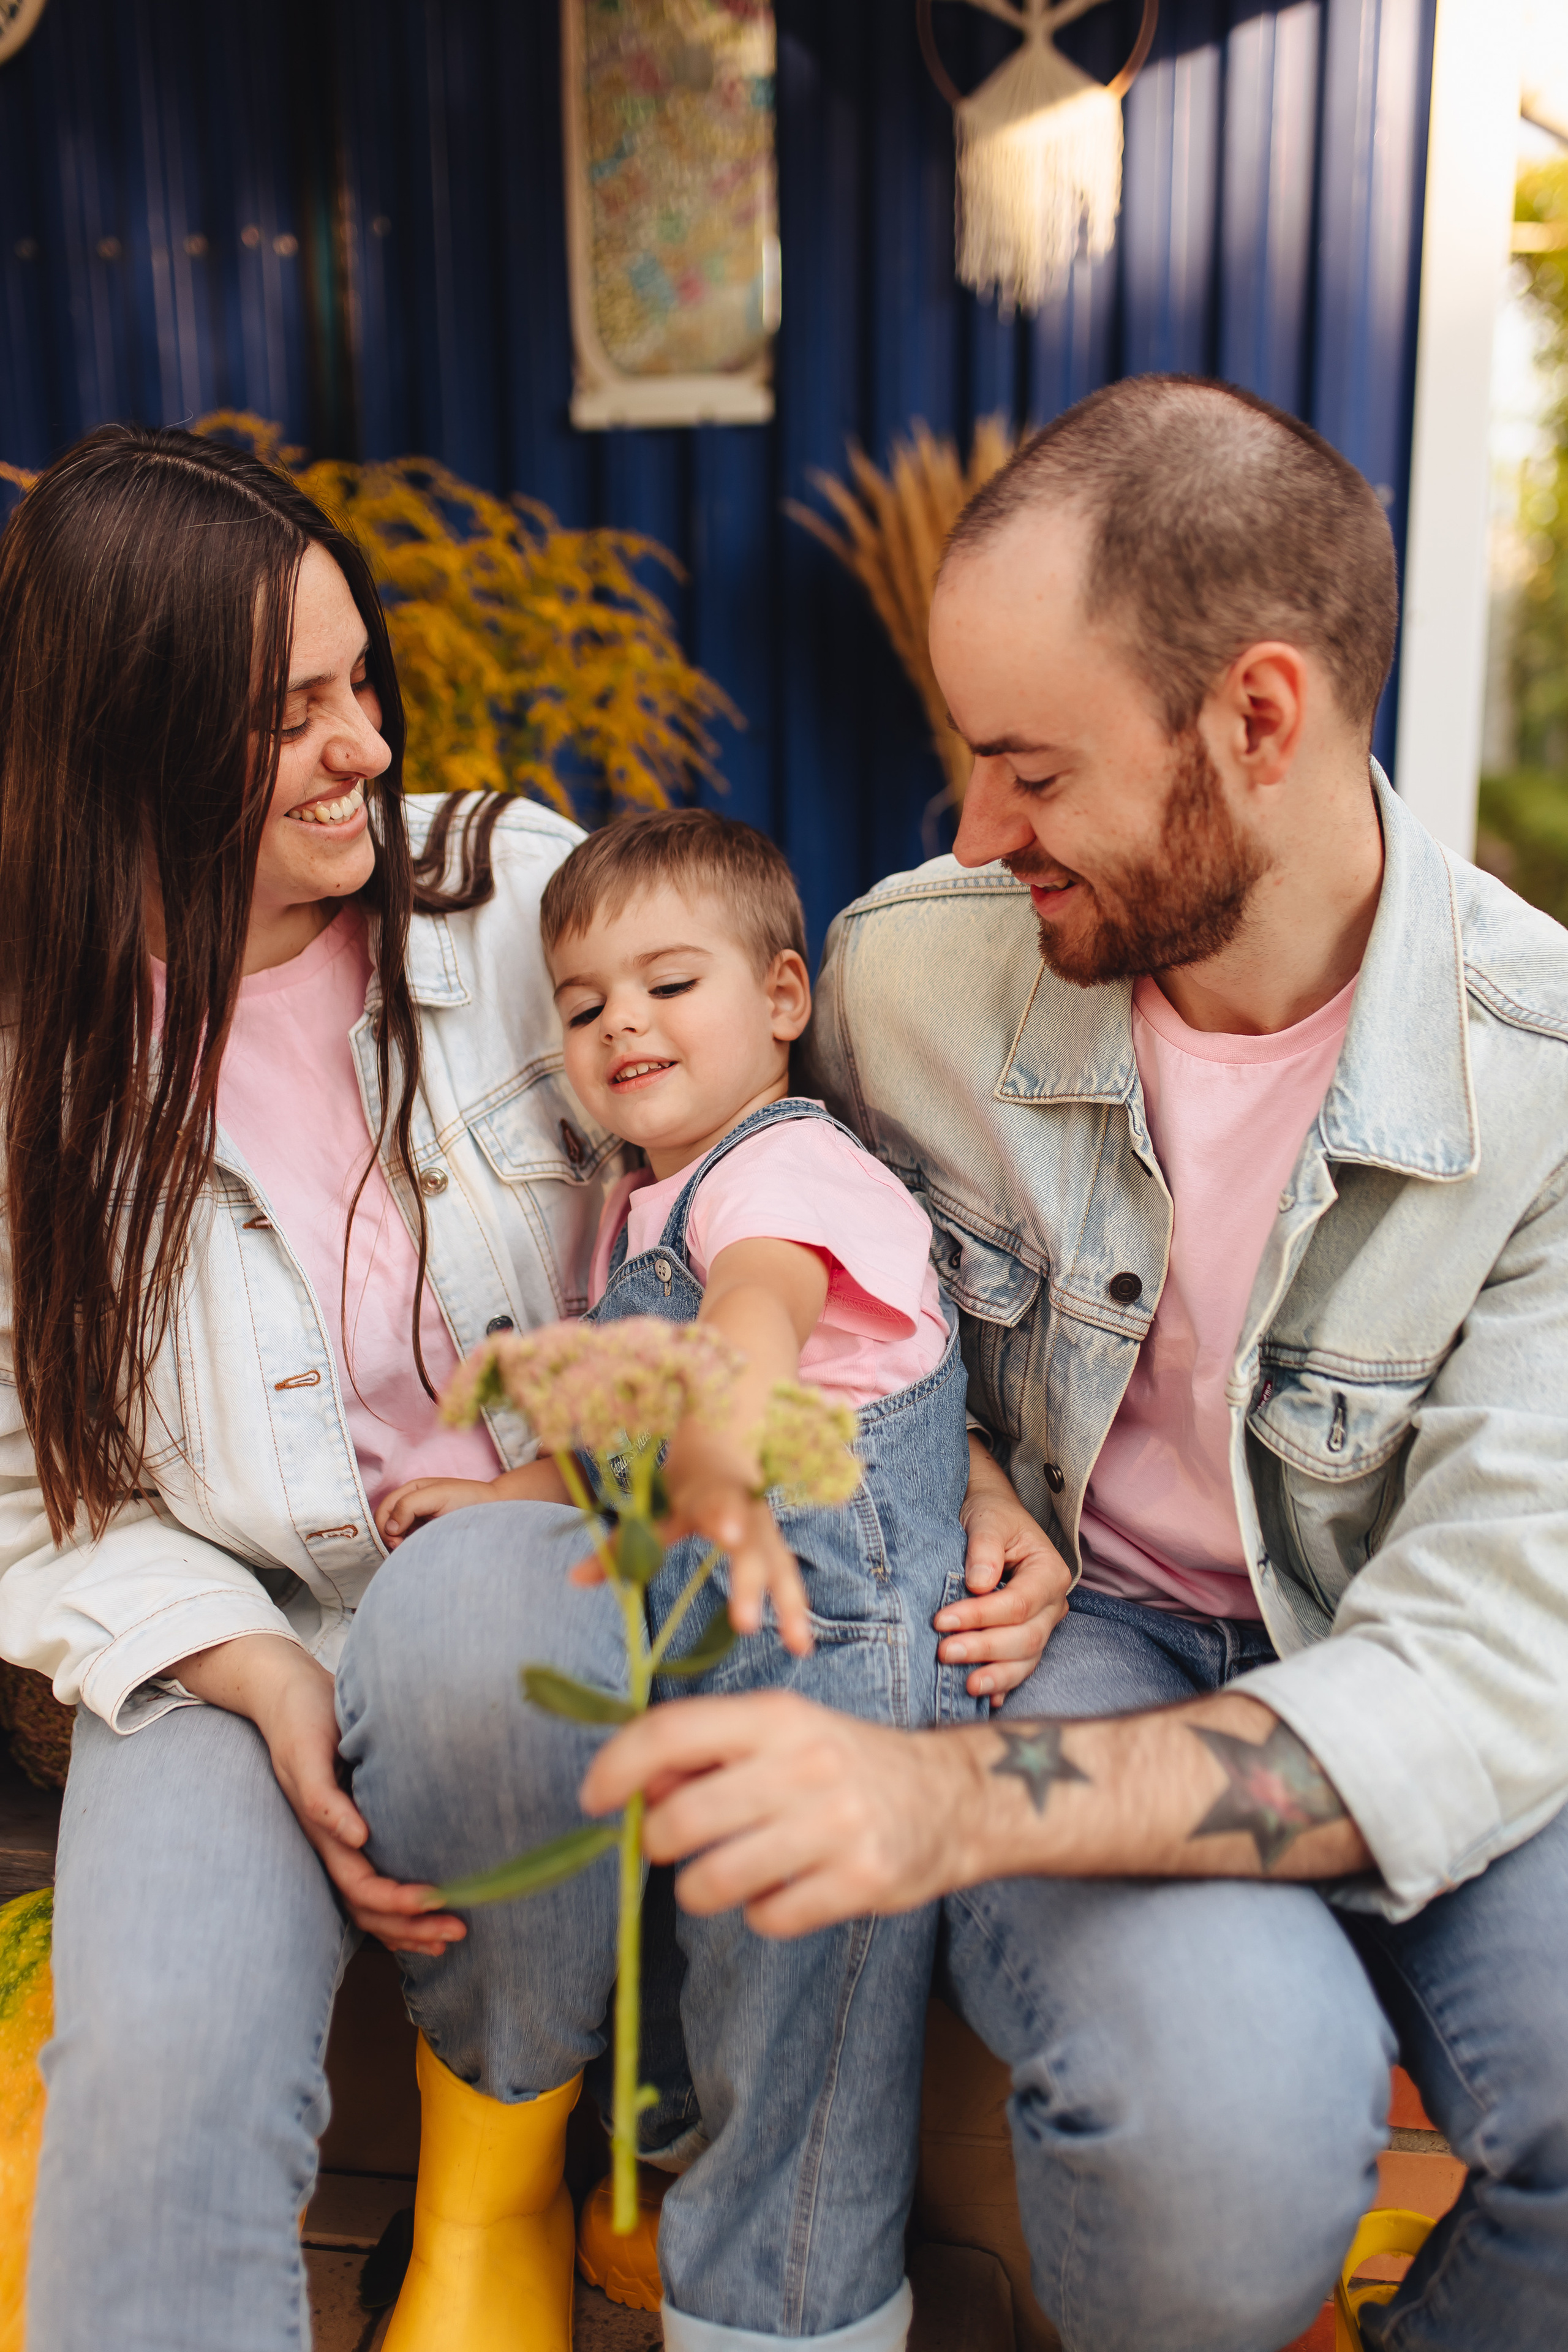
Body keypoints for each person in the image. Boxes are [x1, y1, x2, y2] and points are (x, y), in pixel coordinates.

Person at [580, 377, 1568, 2352]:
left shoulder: (1544, 1082)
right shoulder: (904, 970)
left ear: (1260, 719)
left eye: (1032, 771)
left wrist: (940, 1812)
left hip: (1424, 1656)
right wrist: (954, 1475)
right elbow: (805, 1249)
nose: (975, 833)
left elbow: (1477, 1672)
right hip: (1068, 1637)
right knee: (1224, 2142)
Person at [0, 423, 624, 2352]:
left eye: (362, 683)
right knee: (155, 2096)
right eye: (293, 715)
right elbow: (30, 1501)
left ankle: (489, 2203)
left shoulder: (516, 903)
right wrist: (251, 1671)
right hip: (218, 1618)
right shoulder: (30, 1062)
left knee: (478, 1609)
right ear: (128, 745)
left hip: (530, 1586)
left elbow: (774, 1176)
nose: (365, 746)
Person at [360, 808, 1065, 2345]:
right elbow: (622, 1416)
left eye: (670, 984)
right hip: (724, 1645)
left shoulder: (784, 1171)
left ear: (785, 1001)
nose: (622, 1023)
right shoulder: (642, 1204)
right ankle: (653, 2220)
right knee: (706, 1985)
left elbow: (750, 1320)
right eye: (585, 1001)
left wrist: (719, 1448)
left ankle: (785, 2315)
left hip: (834, 1660)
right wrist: (504, 1493)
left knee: (800, 2030)